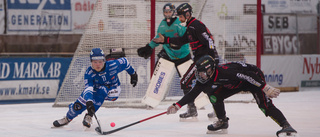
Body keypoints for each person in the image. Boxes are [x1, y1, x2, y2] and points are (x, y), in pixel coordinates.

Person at [166, 55, 297, 136]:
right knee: (213, 95)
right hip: (236, 84)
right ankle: (222, 122)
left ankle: (285, 125)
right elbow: (193, 94)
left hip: (252, 78)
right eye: (198, 73)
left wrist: (265, 87)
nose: (200, 76)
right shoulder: (205, 79)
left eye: (202, 73)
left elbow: (249, 76)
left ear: (210, 70)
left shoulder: (225, 73)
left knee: (264, 106)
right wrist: (177, 105)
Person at [153, 3, 218, 119]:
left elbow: (210, 40)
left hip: (204, 62)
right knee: (206, 85)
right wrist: (165, 40)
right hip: (199, 61)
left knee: (185, 82)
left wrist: (214, 59)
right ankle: (207, 109)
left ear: (187, 14)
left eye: (181, 16)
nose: (179, 18)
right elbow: (181, 40)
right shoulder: (189, 27)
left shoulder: (196, 25)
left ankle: (195, 110)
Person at [53, 48, 138, 128]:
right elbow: (88, 88)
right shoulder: (89, 73)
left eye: (100, 61)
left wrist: (133, 74)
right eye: (95, 62)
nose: (98, 65)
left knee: (102, 90)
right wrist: (89, 102)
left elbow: (125, 62)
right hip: (96, 89)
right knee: (78, 105)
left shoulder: (113, 65)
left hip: (113, 90)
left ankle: (89, 116)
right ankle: (67, 118)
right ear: (91, 62)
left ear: (104, 60)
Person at [137, 3, 195, 118]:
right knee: (158, 74)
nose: (167, 14)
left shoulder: (179, 23)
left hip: (183, 56)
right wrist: (149, 47)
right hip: (169, 54)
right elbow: (158, 38)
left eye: (169, 12)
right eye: (165, 12)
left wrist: (173, 43)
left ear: (173, 12)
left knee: (186, 82)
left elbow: (184, 39)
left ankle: (192, 108)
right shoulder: (163, 24)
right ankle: (152, 100)